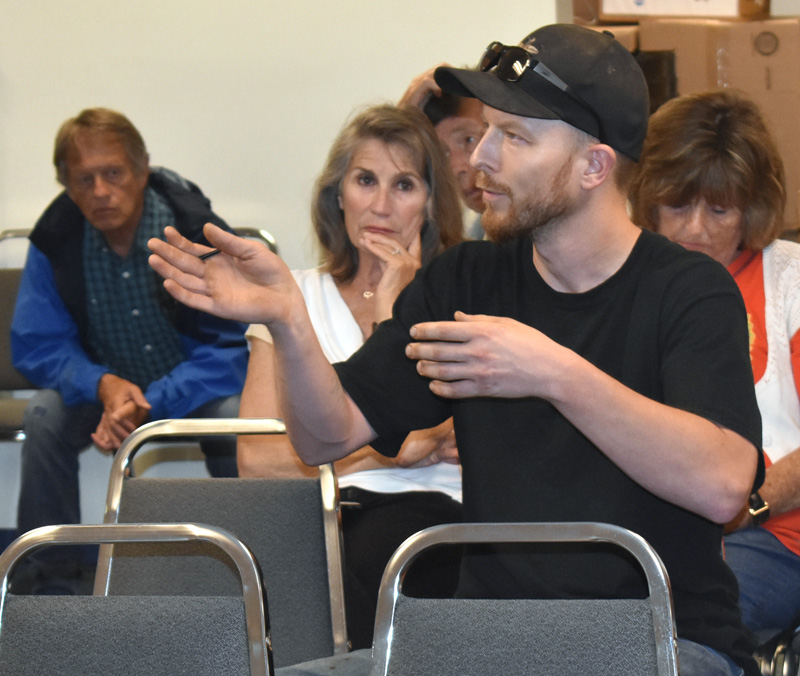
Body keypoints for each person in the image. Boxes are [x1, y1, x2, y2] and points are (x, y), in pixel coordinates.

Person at [149, 24, 764, 676]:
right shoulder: (466, 281)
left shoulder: (690, 290)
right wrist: (288, 319)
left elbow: (722, 487)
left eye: (515, 137)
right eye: (485, 131)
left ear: (593, 166)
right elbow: (325, 437)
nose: (479, 160)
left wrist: (553, 372)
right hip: (485, 639)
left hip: (660, 640)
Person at [237, 103, 464, 648]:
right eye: (366, 180)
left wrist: (397, 309)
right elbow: (258, 462)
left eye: (404, 185)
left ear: (431, 205)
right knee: (327, 563)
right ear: (339, 194)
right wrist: (384, 452)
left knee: (382, 561)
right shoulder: (290, 296)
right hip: (328, 516)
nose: (381, 205)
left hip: (443, 514)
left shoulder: (463, 297)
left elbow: (481, 441)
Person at [11, 107, 249, 594]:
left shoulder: (196, 233)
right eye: (83, 179)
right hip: (100, 390)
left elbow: (231, 351)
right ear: (66, 185)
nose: (100, 191)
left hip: (190, 386)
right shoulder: (55, 239)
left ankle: (249, 569)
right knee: (43, 415)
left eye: (114, 173)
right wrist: (104, 385)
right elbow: (37, 344)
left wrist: (150, 402)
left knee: (237, 417)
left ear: (143, 170)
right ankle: (45, 584)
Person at [629, 89, 800, 641]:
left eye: (720, 209)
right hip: (639, 535)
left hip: (774, 535)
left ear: (751, 208)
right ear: (646, 198)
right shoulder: (619, 277)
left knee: (663, 631)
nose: (696, 229)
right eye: (678, 204)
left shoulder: (790, 282)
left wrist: (749, 504)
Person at [400, 67, 486, 239]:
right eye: (443, 153)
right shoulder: (474, 234)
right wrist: (401, 127)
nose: (456, 168)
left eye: (469, 140)